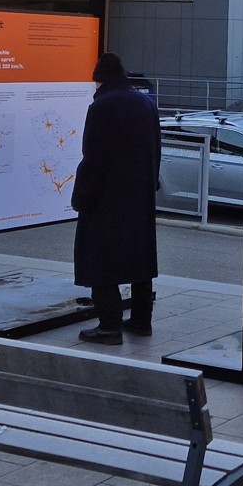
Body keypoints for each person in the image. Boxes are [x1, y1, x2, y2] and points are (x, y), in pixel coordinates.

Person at [71, 53, 162, 344]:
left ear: (100, 78)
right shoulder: (146, 104)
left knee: (100, 260)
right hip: (140, 197)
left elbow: (93, 157)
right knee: (139, 260)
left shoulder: (102, 107)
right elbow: (156, 150)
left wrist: (82, 195)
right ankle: (141, 320)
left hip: (107, 199)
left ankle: (109, 326)